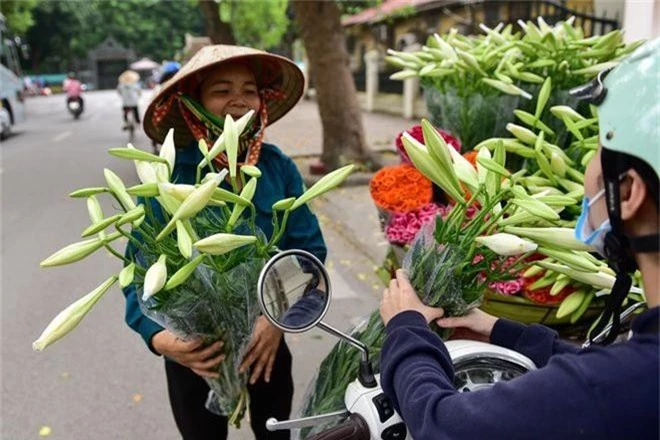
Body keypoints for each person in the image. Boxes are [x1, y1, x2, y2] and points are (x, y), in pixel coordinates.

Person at [378, 39, 659, 440]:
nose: (588, 169)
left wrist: (406, 330)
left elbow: (443, 424)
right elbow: (608, 374)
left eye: (599, 146)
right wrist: (503, 332)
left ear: (628, 192)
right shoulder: (632, 378)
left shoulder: (612, 387)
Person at [123, 45, 326, 440]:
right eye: (221, 90)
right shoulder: (166, 175)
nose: (238, 100)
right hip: (195, 355)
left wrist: (277, 320)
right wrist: (161, 339)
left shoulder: (276, 166)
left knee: (275, 432)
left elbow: (309, 254)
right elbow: (137, 274)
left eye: (249, 90)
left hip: (265, 344)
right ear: (194, 103)